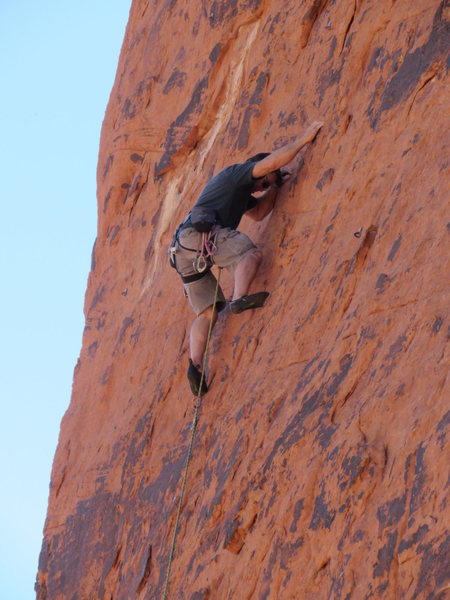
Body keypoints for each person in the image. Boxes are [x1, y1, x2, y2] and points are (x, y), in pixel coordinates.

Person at [169, 121, 324, 395]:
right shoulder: (237, 175)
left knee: (208, 311)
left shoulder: (242, 195)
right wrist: (303, 140)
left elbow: (261, 212)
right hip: (197, 237)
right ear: (258, 172)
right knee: (249, 254)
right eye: (264, 181)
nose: (262, 186)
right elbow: (271, 162)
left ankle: (195, 365)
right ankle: (239, 298)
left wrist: (275, 187)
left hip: (183, 251)